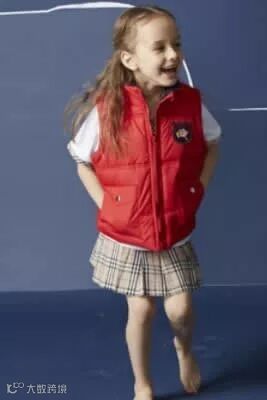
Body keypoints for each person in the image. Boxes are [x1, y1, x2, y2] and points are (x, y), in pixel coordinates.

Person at [65, 6, 220, 399]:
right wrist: (107, 205)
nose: (172, 55)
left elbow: (212, 144)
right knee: (142, 310)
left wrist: (197, 190)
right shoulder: (107, 109)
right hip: (128, 234)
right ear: (130, 59)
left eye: (176, 44)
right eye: (160, 47)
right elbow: (82, 161)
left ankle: (184, 350)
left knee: (180, 311)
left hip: (174, 230)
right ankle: (143, 383)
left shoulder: (189, 104)